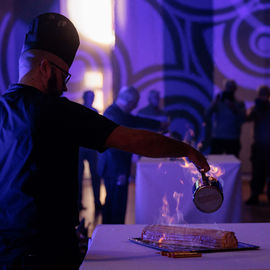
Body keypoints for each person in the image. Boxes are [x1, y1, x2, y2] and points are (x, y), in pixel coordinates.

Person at [0, 13, 209, 270]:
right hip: (46, 251)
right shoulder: (56, 111)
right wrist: (186, 150)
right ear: (44, 67)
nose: (65, 88)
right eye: (64, 76)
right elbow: (132, 139)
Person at [98, 86, 168, 224]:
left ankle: (110, 236)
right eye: (136, 103)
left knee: (114, 203)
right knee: (116, 206)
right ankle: (112, 238)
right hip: (115, 169)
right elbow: (115, 149)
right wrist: (121, 172)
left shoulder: (118, 113)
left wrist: (159, 124)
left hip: (114, 168)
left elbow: (136, 121)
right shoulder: (115, 116)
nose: (136, 106)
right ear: (130, 103)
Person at [205, 79, 246, 157]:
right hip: (218, 137)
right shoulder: (218, 102)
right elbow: (207, 114)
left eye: (232, 87)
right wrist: (215, 102)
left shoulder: (240, 103)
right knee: (215, 161)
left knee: (233, 161)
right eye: (228, 87)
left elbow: (243, 118)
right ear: (225, 88)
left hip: (233, 137)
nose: (230, 89)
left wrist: (234, 108)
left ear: (235, 89)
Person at [78, 90, 102, 215]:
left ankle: (96, 202)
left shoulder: (93, 111)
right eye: (90, 97)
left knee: (95, 176)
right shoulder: (81, 110)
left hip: (89, 148)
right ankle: (79, 203)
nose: (92, 99)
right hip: (83, 148)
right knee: (79, 177)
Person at [246, 85, 270, 205]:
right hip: (259, 146)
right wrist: (257, 108)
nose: (263, 96)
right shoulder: (256, 108)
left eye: (264, 94)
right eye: (261, 94)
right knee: (257, 172)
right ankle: (254, 196)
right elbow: (247, 118)